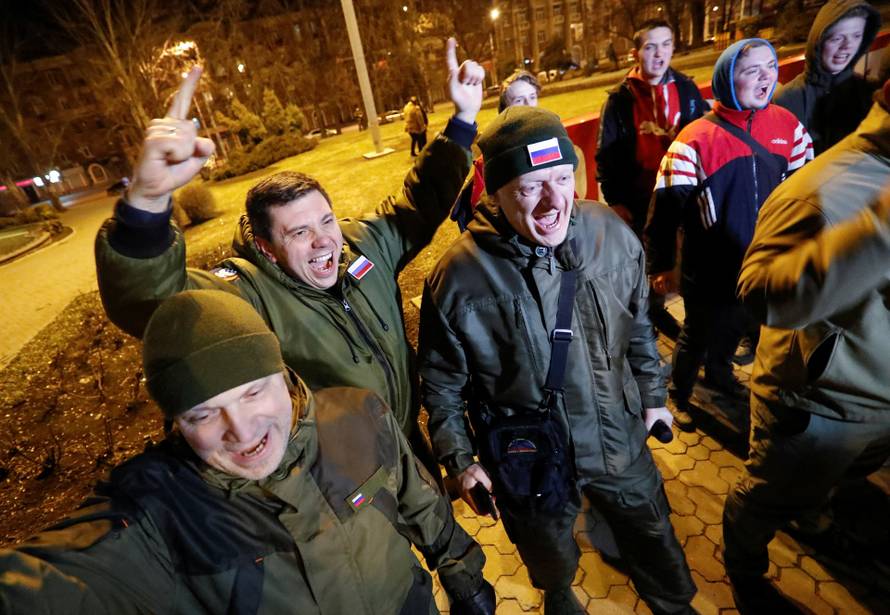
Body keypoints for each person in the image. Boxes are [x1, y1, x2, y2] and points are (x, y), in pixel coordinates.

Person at [94, 39, 483, 478]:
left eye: (326, 221)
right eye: (299, 232)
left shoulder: (363, 246)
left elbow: (419, 203)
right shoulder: (247, 295)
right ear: (265, 247)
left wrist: (464, 121)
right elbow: (158, 303)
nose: (323, 243)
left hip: (409, 443)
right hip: (339, 474)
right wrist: (145, 206)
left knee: (445, 537)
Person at [0, 290, 495, 614]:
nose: (241, 430)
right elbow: (55, 583)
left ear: (282, 372)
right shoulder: (157, 511)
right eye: (202, 414)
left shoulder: (357, 415)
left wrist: (461, 570)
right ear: (175, 423)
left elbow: (419, 502)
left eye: (253, 392)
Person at [420, 105, 696, 615]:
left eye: (563, 178)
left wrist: (654, 398)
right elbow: (441, 384)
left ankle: (674, 604)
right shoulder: (457, 278)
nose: (554, 201)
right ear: (496, 194)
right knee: (549, 555)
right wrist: (459, 461)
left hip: (619, 436)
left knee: (653, 537)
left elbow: (637, 324)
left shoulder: (610, 234)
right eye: (530, 187)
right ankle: (561, 595)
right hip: (530, 459)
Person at [722, 71, 890, 615]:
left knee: (830, 484)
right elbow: (760, 292)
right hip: (819, 406)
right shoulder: (822, 189)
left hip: (878, 411)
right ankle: (744, 563)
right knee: (767, 495)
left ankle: (816, 518)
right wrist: (878, 233)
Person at [646, 39, 813, 431]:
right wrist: (663, 265)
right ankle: (679, 393)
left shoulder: (789, 127)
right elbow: (665, 210)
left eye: (770, 66)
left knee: (737, 324)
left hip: (762, 263)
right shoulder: (693, 139)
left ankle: (720, 376)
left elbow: (806, 188)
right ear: (726, 78)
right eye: (751, 70)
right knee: (696, 333)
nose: (766, 77)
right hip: (708, 269)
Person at [596, 19, 708, 340]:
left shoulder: (686, 88)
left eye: (666, 44)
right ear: (635, 53)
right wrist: (615, 200)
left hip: (683, 193)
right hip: (640, 199)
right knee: (648, 266)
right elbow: (606, 154)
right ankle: (653, 320)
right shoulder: (619, 100)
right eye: (650, 46)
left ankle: (700, 326)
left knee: (689, 260)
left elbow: (702, 136)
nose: (659, 54)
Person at [774, 0, 880, 155]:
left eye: (857, 36)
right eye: (837, 38)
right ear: (818, 41)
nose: (847, 46)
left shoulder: (870, 94)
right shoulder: (786, 99)